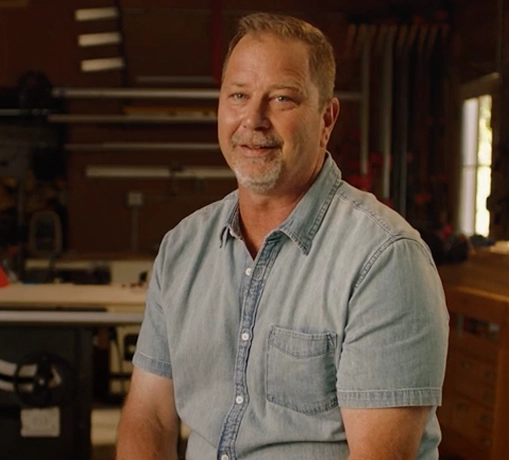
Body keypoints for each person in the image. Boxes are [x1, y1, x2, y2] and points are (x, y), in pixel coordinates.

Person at [115, 12, 449, 460]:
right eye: (238, 95)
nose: (253, 119)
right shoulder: (182, 248)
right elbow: (149, 416)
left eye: (282, 99)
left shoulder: (384, 260)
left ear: (326, 118)